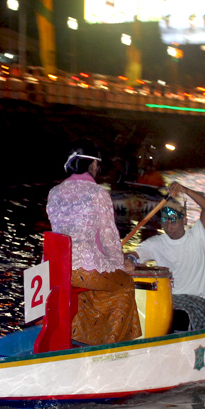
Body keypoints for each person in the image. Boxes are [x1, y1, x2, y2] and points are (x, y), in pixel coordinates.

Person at [46, 140, 142, 346]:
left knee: (95, 288)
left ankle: (83, 337)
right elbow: (109, 238)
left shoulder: (53, 192)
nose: (98, 168)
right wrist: (120, 264)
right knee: (125, 284)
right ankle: (111, 346)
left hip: (57, 270)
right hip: (84, 271)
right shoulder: (98, 193)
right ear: (92, 164)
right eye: (97, 164)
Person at [127, 181, 205, 331]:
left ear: (184, 220)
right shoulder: (156, 243)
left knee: (170, 319)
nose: (168, 225)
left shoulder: (198, 235)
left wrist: (185, 189)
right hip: (166, 300)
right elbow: (135, 254)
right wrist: (129, 260)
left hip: (193, 302)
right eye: (165, 220)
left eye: (173, 220)